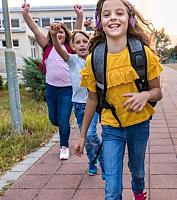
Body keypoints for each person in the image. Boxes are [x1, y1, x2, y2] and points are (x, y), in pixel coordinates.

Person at [74, 0, 163, 199]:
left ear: (129, 19)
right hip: (110, 126)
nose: (113, 17)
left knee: (137, 170)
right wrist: (82, 136)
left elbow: (157, 91)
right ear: (100, 21)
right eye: (107, 14)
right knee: (112, 186)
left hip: (139, 125)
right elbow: (91, 100)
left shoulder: (143, 52)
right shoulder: (94, 58)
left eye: (119, 13)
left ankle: (139, 193)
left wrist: (145, 95)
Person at [21, 2, 83, 160]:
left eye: (62, 31)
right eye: (57, 31)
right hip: (51, 89)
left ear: (66, 34)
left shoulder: (70, 48)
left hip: (67, 89)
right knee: (54, 119)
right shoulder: (47, 46)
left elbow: (77, 31)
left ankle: (64, 146)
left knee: (63, 119)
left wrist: (80, 15)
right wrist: (26, 14)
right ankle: (63, 127)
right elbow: (35, 29)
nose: (59, 34)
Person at [50, 21, 103, 176]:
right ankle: (94, 161)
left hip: (98, 103)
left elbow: (103, 39)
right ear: (72, 46)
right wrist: (54, 36)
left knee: (92, 134)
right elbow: (59, 49)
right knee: (87, 137)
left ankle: (105, 161)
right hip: (80, 105)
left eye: (85, 41)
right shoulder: (72, 60)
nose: (81, 45)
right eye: (77, 42)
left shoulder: (95, 57)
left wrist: (93, 27)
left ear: (90, 44)